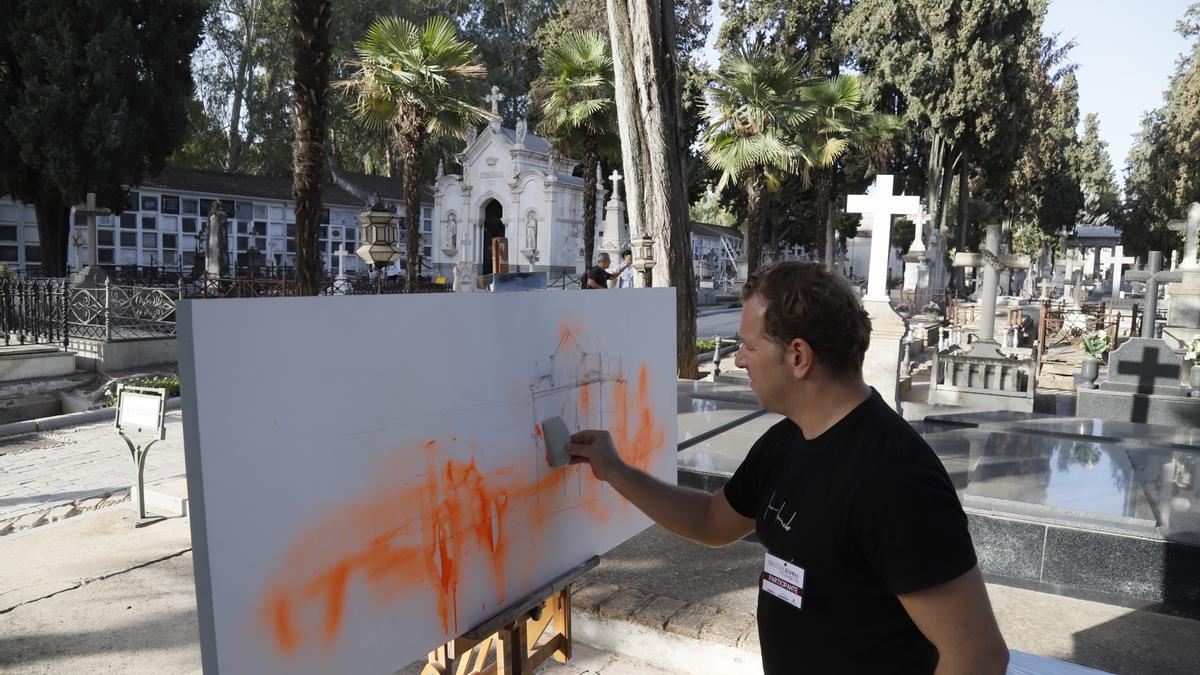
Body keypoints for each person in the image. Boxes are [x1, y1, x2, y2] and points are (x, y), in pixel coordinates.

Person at [567, 262, 1008, 674]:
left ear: (798, 356)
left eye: (749, 346)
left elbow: (977, 655)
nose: (739, 359)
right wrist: (615, 470)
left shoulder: (894, 480)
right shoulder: (788, 439)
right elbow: (711, 521)